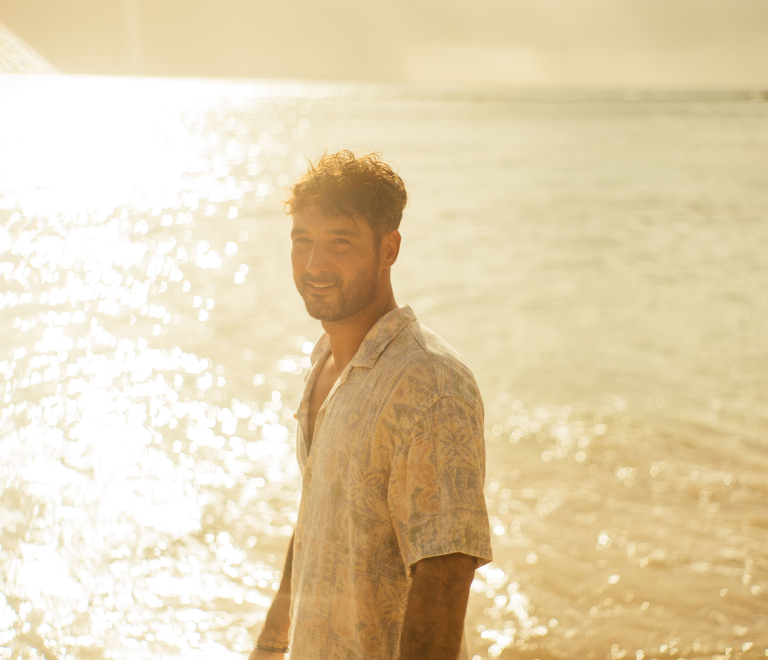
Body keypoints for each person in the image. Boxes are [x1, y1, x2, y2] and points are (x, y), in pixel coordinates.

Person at [249, 151, 492, 660]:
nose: (315, 265)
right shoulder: (327, 363)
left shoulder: (430, 385)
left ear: (389, 249)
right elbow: (318, 512)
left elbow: (445, 572)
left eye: (340, 242)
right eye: (303, 242)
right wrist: (271, 645)